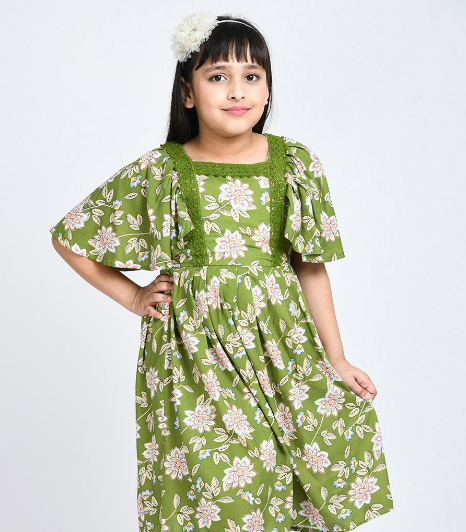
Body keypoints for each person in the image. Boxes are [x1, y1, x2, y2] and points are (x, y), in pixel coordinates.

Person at [49, 11, 394, 532]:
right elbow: (70, 237)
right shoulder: (163, 170)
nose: (237, 91)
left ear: (267, 89)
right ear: (188, 93)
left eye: (251, 76)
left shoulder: (295, 165)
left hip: (280, 349)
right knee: (222, 490)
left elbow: (311, 268)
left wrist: (336, 358)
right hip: (195, 359)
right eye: (217, 76)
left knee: (286, 476)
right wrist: (133, 296)